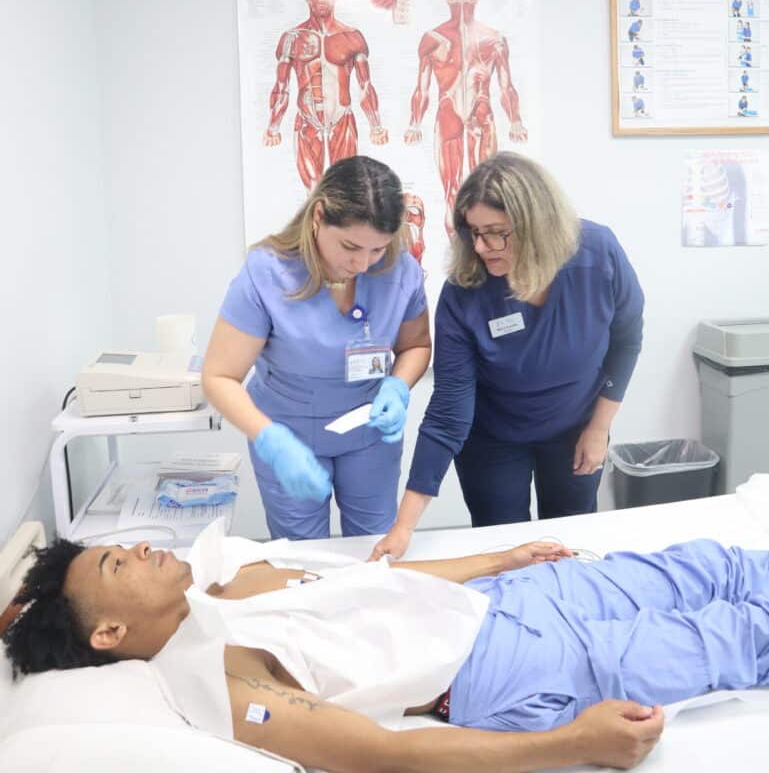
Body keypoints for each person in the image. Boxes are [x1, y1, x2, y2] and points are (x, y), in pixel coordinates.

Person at [12, 532, 769, 771]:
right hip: (504, 670)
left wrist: (496, 561)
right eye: (119, 565)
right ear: (107, 634)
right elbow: (386, 752)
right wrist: (574, 741)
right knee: (741, 633)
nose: (141, 548)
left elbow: (372, 583)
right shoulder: (220, 685)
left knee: (717, 565)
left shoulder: (228, 586)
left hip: (501, 602)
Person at [372, 153, 643, 559]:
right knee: (504, 549)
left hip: (576, 425)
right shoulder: (464, 293)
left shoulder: (597, 254)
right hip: (491, 439)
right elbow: (448, 411)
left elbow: (626, 340)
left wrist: (600, 427)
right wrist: (404, 525)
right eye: (474, 232)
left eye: (498, 233)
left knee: (570, 544)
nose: (482, 247)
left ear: (539, 225)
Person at [202, 155, 430, 540]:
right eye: (350, 246)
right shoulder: (268, 272)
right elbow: (219, 376)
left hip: (369, 433)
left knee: (374, 546)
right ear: (318, 216)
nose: (362, 263)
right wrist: (270, 440)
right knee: (302, 557)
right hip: (287, 434)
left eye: (377, 250)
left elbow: (417, 346)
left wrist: (398, 386)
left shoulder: (400, 269)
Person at [404, 0, 527, 234]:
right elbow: (422, 87)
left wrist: (515, 121)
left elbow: (505, 85)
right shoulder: (432, 39)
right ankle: (460, 261)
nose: (462, 4)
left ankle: (481, 256)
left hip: (482, 114)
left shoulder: (494, 39)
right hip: (448, 114)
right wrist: (414, 123)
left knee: (486, 190)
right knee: (452, 193)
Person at [263, 0, 388, 191]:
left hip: (342, 119)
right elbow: (281, 87)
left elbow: (365, 85)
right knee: (314, 193)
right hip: (307, 120)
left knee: (344, 192)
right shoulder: (291, 38)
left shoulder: (352, 36)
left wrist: (376, 125)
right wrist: (273, 127)